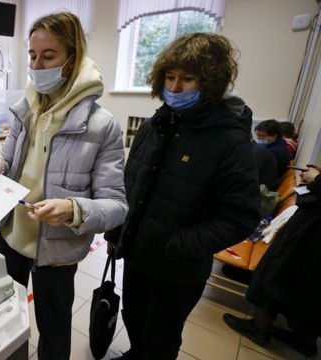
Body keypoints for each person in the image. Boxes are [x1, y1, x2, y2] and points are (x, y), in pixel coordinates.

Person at [0, 12, 128, 360]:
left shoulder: (102, 125)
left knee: (54, 331)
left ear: (71, 60)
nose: (37, 64)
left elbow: (116, 204)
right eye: (32, 55)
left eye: (48, 56)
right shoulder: (25, 110)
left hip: (56, 255)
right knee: (3, 323)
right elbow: (8, 156)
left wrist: (75, 209)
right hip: (11, 239)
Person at [106, 33, 261, 360]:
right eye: (170, 77)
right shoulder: (152, 126)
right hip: (137, 255)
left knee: (161, 338)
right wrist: (116, 232)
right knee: (134, 319)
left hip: (178, 268)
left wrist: (179, 244)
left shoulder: (230, 140)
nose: (175, 88)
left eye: (187, 79)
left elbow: (241, 216)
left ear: (211, 82)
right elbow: (130, 185)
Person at [223, 164, 321, 358]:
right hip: (314, 228)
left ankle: (259, 327)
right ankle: (304, 339)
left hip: (313, 229)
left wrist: (315, 179)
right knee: (309, 284)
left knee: (279, 272)